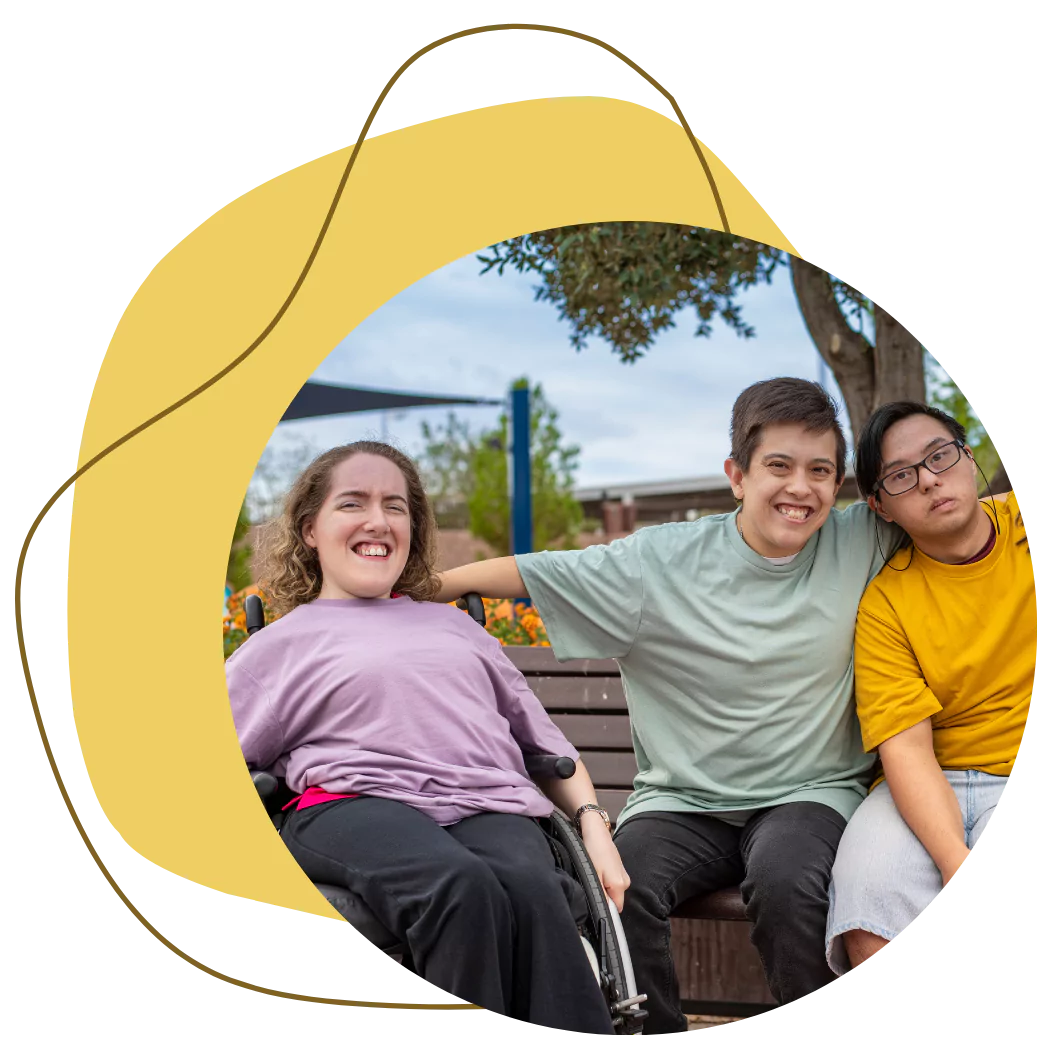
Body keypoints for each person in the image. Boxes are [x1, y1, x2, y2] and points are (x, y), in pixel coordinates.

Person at [434, 377, 907, 1037]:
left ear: (837, 484)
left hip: (810, 793)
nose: (801, 487)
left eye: (820, 471)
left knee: (787, 883)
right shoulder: (659, 563)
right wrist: (415, 589)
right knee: (616, 887)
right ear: (737, 476)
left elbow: (964, 519)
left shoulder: (861, 539)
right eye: (779, 466)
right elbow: (539, 571)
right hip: (683, 801)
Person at [225, 440, 630, 1038]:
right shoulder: (281, 643)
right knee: (459, 889)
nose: (377, 520)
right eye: (353, 503)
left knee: (536, 891)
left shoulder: (454, 628)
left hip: (484, 803)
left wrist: (595, 828)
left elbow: (548, 749)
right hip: (353, 805)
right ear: (310, 529)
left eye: (395, 506)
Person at [825, 402, 1036, 977]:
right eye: (900, 475)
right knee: (869, 903)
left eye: (939, 455)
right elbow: (908, 752)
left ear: (968, 457)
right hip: (924, 783)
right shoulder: (886, 604)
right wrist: (954, 863)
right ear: (880, 506)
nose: (928, 479)